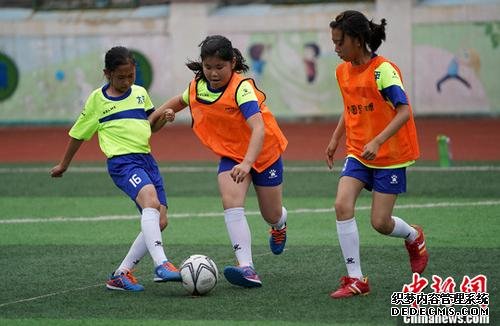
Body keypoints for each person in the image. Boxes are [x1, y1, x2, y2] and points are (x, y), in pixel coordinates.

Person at [150, 35, 288, 288]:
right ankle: (247, 268)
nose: (213, 73)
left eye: (219, 67)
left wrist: (247, 163)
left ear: (232, 63)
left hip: (264, 153)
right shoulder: (197, 86)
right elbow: (176, 103)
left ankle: (279, 225)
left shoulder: (241, 88)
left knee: (272, 214)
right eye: (208, 67)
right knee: (231, 202)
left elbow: (259, 129)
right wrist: (155, 120)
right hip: (232, 155)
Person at [50, 46, 181, 292]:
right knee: (150, 203)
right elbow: (79, 135)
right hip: (123, 163)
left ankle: (121, 274)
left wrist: (165, 116)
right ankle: (162, 264)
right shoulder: (97, 100)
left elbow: (152, 127)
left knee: (160, 220)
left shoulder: (140, 93)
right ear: (107, 73)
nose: (126, 81)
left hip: (146, 160)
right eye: (121, 77)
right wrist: (63, 164)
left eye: (130, 76)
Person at [325, 11, 429, 299]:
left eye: (339, 42)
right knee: (341, 205)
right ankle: (356, 279)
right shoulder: (342, 71)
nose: (335, 48)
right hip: (358, 152)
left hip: (390, 156)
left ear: (357, 41)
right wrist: (335, 140)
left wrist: (379, 140)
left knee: (380, 224)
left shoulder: (384, 71)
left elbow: (404, 111)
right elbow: (350, 108)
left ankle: (413, 237)